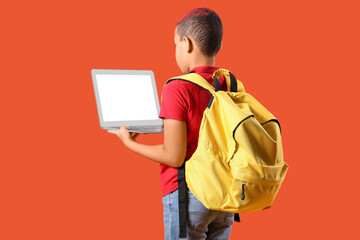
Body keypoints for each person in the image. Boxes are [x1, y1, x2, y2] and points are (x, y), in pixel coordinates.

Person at [108, 8, 234, 239]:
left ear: (186, 43)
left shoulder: (178, 87)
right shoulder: (228, 83)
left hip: (190, 197)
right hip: (226, 197)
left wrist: (129, 143)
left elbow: (174, 156)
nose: (175, 50)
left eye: (174, 44)